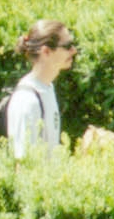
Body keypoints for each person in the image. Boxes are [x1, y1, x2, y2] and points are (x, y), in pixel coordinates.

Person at [8, 19, 76, 161]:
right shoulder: (27, 100)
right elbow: (23, 163)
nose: (73, 50)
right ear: (46, 51)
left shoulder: (47, 88)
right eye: (67, 46)